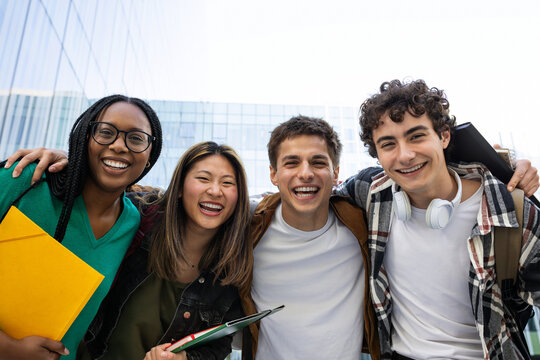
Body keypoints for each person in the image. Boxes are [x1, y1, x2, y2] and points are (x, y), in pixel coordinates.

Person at [336, 79, 540, 359]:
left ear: (444, 137)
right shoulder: (370, 193)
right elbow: (308, 197)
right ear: (377, 154)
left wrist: (512, 163)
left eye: (416, 136)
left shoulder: (510, 208)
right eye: (388, 144)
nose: (405, 155)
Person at [0, 94, 163, 360]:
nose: (119, 146)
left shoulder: (134, 223)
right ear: (84, 139)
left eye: (136, 138)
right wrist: (7, 349)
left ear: (149, 156)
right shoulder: (26, 179)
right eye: (105, 132)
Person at [73, 141, 252, 360]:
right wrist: (64, 159)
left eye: (227, 183)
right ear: (179, 188)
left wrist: (185, 358)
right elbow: (89, 196)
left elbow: (219, 344)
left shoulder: (232, 267)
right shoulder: (136, 216)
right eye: (203, 178)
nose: (215, 191)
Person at [239, 115, 380, 360]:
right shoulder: (248, 228)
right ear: (273, 174)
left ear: (335, 173)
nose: (305, 173)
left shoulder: (361, 227)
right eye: (292, 163)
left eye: (317, 162)